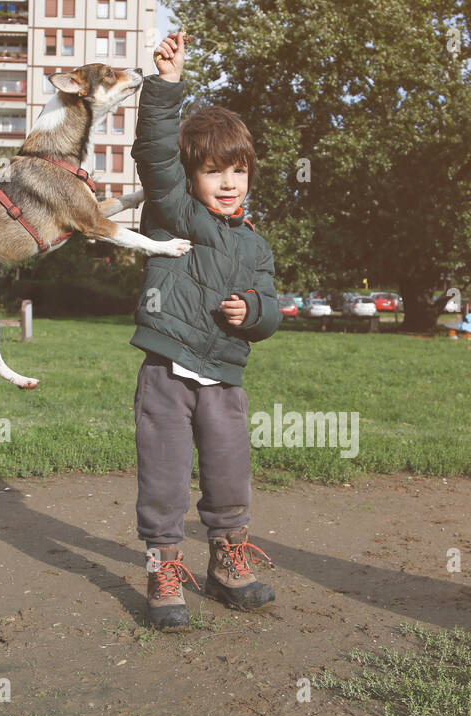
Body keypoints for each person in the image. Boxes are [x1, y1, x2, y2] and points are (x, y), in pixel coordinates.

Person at [130, 32, 282, 629]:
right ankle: (164, 569)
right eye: (213, 171)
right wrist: (167, 86)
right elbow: (156, 154)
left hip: (224, 376)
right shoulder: (175, 212)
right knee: (163, 477)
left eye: (237, 171)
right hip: (167, 372)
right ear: (192, 177)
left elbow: (270, 306)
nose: (227, 183)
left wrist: (254, 309)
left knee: (228, 472)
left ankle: (228, 559)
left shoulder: (257, 244)